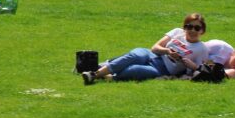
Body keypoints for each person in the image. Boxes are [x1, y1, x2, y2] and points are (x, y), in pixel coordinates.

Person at [82, 13, 210, 83]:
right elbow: (154, 48)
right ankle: (96, 74)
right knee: (136, 56)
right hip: (151, 55)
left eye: (197, 28)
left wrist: (190, 65)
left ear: (202, 31)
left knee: (134, 70)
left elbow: (199, 72)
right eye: (189, 26)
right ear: (184, 27)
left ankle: (107, 74)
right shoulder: (177, 32)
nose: (192, 30)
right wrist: (167, 51)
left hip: (161, 70)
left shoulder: (201, 49)